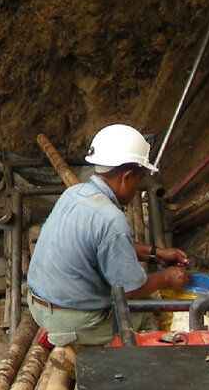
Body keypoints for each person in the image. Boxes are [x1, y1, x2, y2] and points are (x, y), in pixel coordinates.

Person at [26, 123, 190, 346]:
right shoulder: (111, 218)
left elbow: (104, 244)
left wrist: (155, 253)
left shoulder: (74, 193)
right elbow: (131, 290)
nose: (137, 188)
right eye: (138, 181)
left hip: (38, 306)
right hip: (70, 319)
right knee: (146, 321)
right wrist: (167, 277)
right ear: (127, 177)